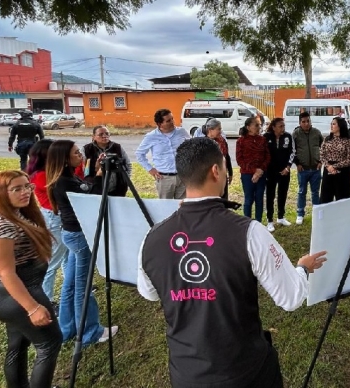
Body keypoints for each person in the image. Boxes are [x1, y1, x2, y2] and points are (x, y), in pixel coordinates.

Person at [137, 137, 327, 388]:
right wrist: (302, 268)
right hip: (245, 373)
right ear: (216, 171)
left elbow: (149, 293)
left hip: (186, 374)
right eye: (226, 167)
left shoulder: (152, 236)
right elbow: (291, 298)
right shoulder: (250, 232)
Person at [0, 170, 62, 388]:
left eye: (27, 186)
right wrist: (32, 308)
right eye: (17, 189)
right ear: (0, 193)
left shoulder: (13, 213)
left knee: (18, 345)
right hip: (18, 293)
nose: (26, 192)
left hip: (16, 292)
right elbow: (6, 273)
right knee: (49, 343)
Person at [46, 140, 118, 345]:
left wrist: (95, 173)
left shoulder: (65, 178)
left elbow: (83, 188)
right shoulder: (63, 181)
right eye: (76, 153)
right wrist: (99, 177)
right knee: (83, 287)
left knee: (70, 284)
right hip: (79, 235)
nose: (80, 154)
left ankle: (66, 328)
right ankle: (90, 332)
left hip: (72, 234)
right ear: (64, 158)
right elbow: (91, 197)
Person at [26, 139, 68, 308]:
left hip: (55, 216)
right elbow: (60, 192)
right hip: (54, 217)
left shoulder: (45, 172)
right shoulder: (43, 175)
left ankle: (69, 285)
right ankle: (47, 300)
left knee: (66, 254)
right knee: (53, 261)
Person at [135, 109, 190, 199]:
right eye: (168, 121)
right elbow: (139, 154)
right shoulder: (151, 136)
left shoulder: (181, 132)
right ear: (160, 124)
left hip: (182, 176)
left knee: (182, 206)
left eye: (172, 119)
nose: (172, 122)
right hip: (164, 178)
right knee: (165, 207)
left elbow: (191, 146)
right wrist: (150, 169)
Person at [236, 117, 270, 223]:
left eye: (260, 125)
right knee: (249, 199)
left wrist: (260, 171)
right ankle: (247, 223)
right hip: (247, 175)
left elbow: (267, 156)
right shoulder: (241, 141)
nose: (259, 127)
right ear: (248, 127)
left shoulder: (262, 140)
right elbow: (239, 160)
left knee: (259, 199)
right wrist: (253, 171)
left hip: (261, 174)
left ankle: (258, 223)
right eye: (256, 125)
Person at [82, 125, 133, 197]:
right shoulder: (87, 149)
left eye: (107, 133)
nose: (104, 136)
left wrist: (126, 180)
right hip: (95, 189)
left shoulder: (117, 147)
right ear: (93, 137)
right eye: (100, 134)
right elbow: (83, 170)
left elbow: (128, 165)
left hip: (117, 189)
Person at [292, 111, 323, 225]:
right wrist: (297, 163)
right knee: (301, 192)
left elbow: (323, 147)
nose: (306, 124)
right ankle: (300, 214)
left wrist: (320, 161)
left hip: (315, 169)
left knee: (315, 192)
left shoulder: (316, 132)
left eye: (308, 121)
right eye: (303, 122)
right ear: (300, 122)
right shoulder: (296, 134)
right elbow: (292, 150)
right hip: (303, 169)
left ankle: (317, 213)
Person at [264, 117, 294, 232]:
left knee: (283, 193)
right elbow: (263, 154)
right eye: (280, 126)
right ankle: (270, 220)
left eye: (283, 126)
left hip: (284, 171)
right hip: (270, 172)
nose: (283, 128)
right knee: (270, 195)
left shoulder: (288, 136)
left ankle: (281, 217)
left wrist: (288, 167)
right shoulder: (266, 137)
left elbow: (292, 152)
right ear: (273, 127)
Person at [319, 117, 350, 203]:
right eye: (331, 124)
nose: (331, 126)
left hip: (343, 171)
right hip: (328, 170)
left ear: (340, 126)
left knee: (342, 198)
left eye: (334, 124)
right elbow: (321, 154)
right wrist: (328, 166)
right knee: (326, 197)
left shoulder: (348, 141)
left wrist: (335, 166)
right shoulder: (327, 139)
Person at [196, 118, 233, 200]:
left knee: (223, 200)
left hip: (222, 174)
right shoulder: (203, 143)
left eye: (221, 129)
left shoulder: (222, 141)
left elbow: (227, 156)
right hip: (209, 177)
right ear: (210, 130)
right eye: (218, 129)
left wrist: (230, 173)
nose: (220, 131)